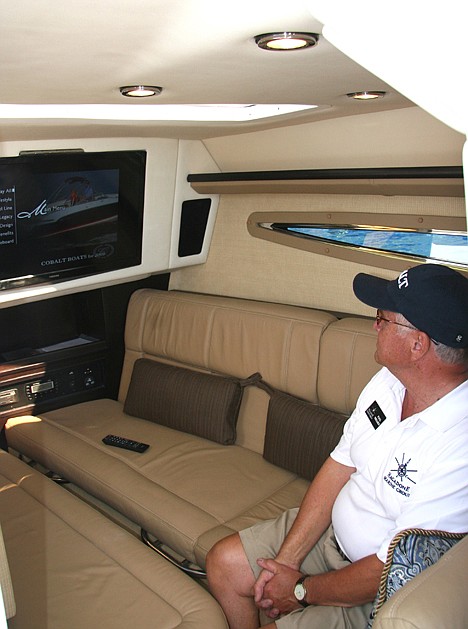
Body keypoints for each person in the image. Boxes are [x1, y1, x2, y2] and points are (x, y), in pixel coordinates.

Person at [206, 263, 468, 629]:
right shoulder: (390, 381)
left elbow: (387, 569)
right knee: (224, 563)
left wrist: (299, 590)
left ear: (417, 345)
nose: (375, 325)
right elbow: (338, 466)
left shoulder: (459, 449)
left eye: (383, 318)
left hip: (378, 591)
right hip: (330, 539)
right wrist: (285, 563)